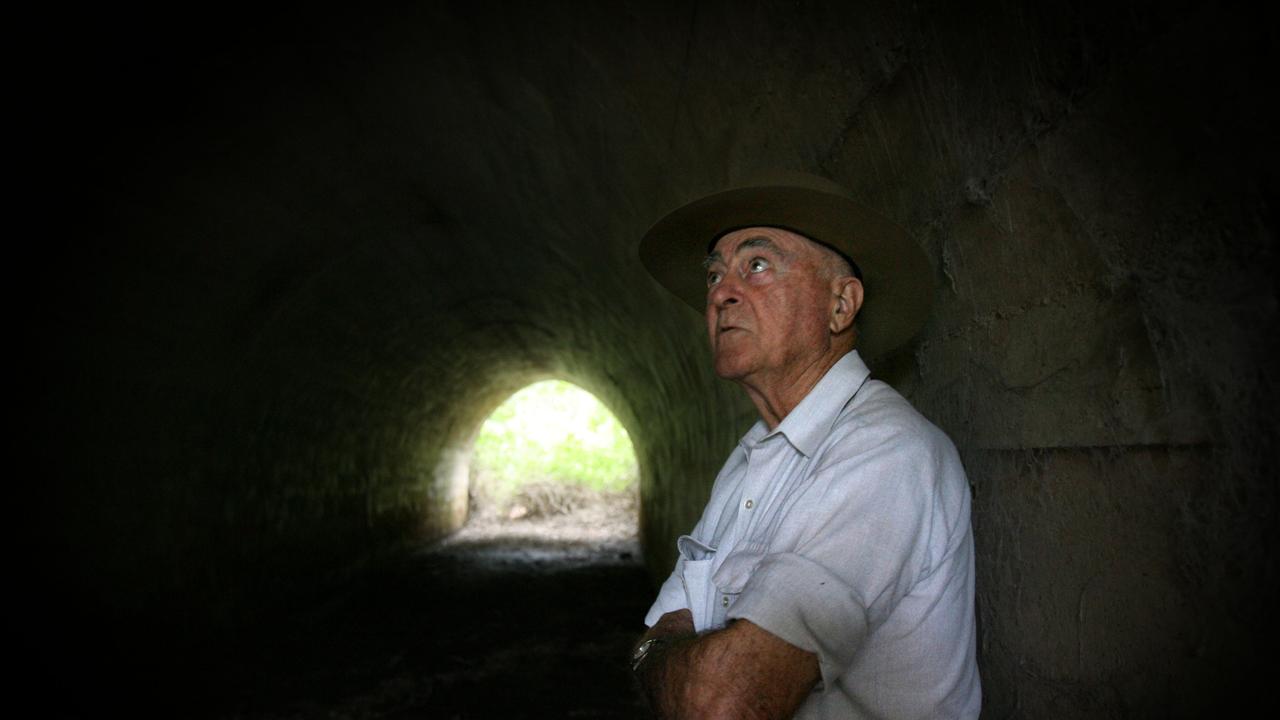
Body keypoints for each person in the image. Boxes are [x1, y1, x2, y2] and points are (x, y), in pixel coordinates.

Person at [632, 172, 981, 719]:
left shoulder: (888, 455)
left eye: (758, 265)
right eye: (714, 273)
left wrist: (661, 657)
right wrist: (675, 653)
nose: (721, 292)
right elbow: (661, 635)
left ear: (841, 305)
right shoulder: (748, 460)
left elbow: (719, 702)